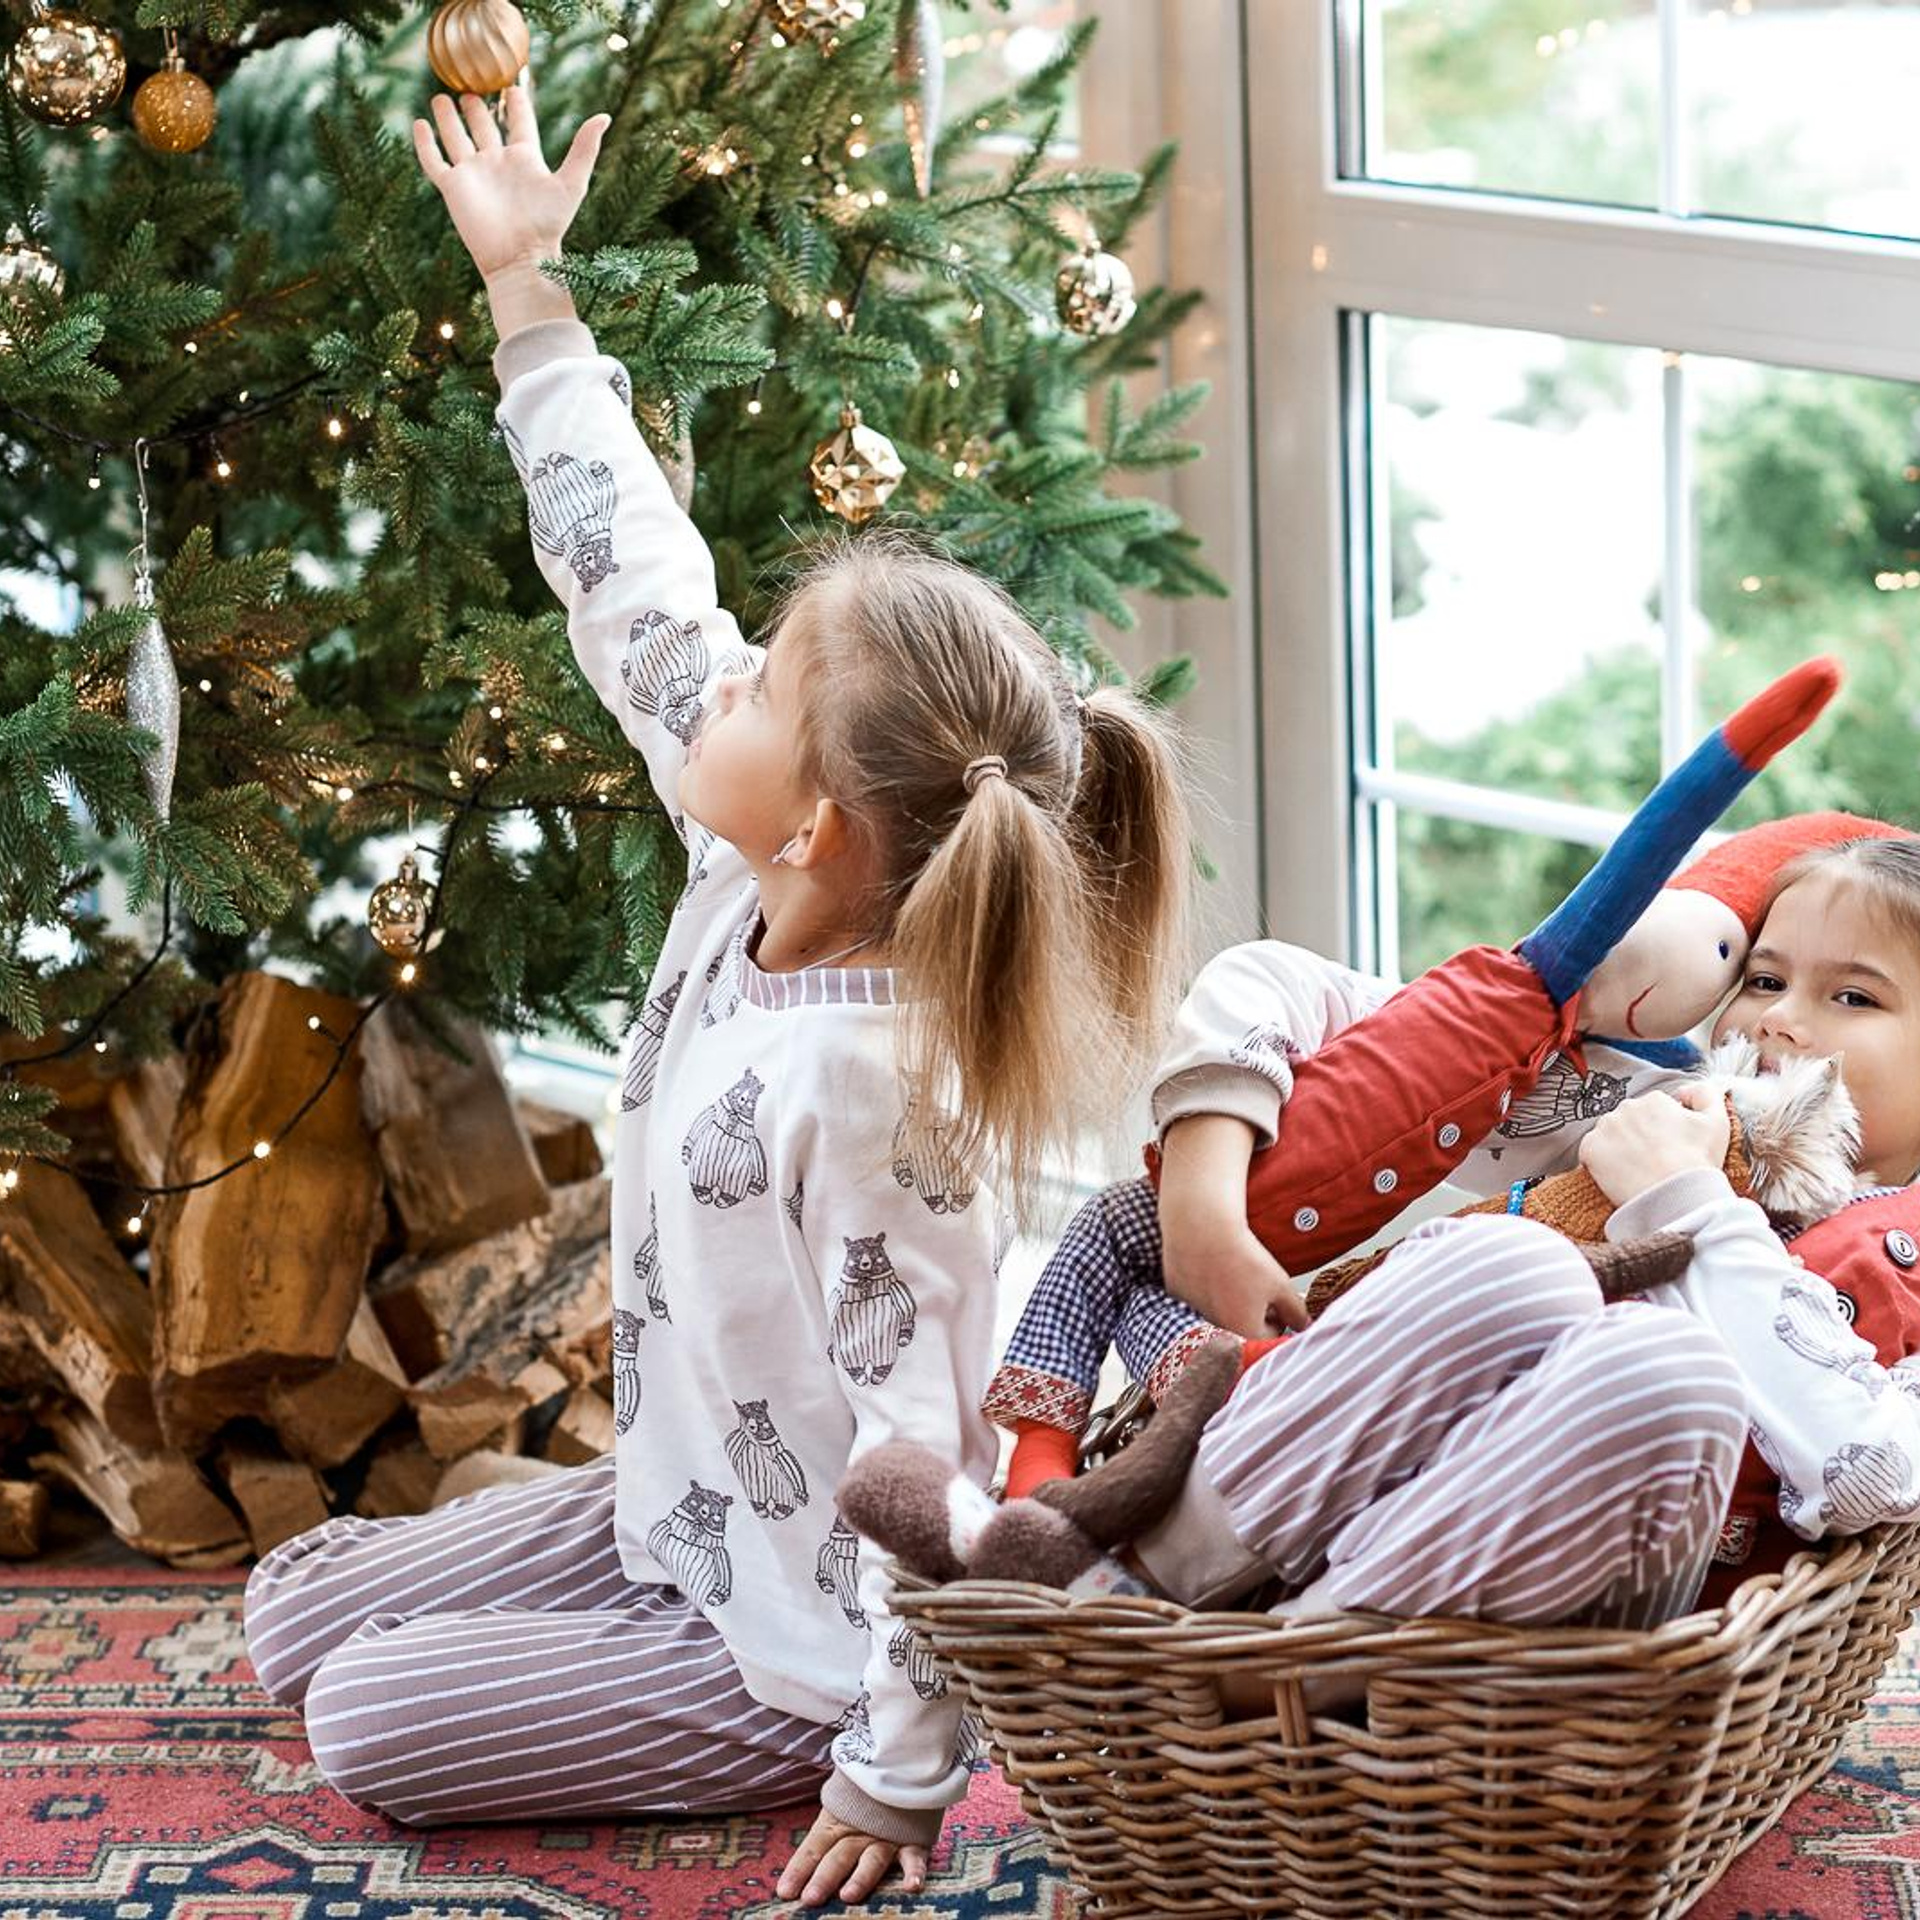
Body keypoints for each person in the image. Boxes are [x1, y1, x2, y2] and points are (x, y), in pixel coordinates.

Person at [242, 86, 1192, 1911]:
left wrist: (892, 1780)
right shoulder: (747, 859)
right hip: (671, 1515)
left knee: (360, 1724)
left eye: (759, 685)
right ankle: (593, 1611)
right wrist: (531, 291)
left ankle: (770, 1729)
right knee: (293, 1616)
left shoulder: (877, 1099)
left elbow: (940, 1469)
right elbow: (634, 579)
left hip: (794, 1648)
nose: (723, 680)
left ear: (824, 815)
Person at [1072, 831, 1920, 1622]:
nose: (1773, 1018)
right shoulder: (1656, 1107)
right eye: (1764, 981)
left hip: (1570, 1606)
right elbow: (1293, 988)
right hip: (1319, 1482)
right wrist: (1203, 1203)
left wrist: (1690, 1202)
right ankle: (1139, 1587)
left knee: (1668, 1372)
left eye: (1853, 995)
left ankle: (1307, 1650)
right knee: (1514, 1264)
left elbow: (1872, 1472)